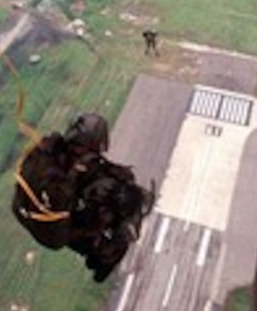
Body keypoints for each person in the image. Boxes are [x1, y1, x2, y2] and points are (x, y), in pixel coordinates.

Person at [12, 112, 154, 282]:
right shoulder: (65, 180)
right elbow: (82, 197)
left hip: (30, 213)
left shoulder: (53, 153)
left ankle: (100, 252)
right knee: (107, 221)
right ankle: (103, 255)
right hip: (55, 227)